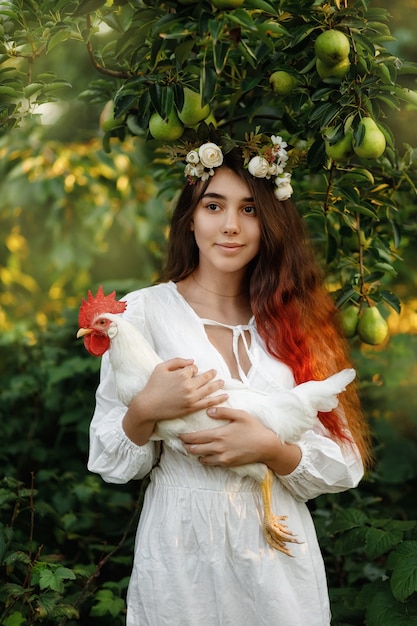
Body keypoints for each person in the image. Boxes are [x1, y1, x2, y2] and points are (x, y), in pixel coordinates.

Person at [87, 135, 372, 626]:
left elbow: (345, 459)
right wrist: (145, 409)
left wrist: (271, 449)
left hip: (275, 547)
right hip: (180, 548)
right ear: (190, 217)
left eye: (249, 210)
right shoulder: (142, 314)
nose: (231, 226)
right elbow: (111, 458)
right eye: (213, 205)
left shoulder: (295, 320)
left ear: (270, 223)